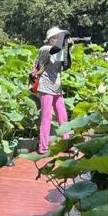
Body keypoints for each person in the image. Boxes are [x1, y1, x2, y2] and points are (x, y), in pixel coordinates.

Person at [31, 26, 72, 154]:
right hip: (46, 86)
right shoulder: (44, 49)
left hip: (57, 87)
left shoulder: (59, 50)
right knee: (46, 117)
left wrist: (68, 48)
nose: (58, 39)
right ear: (49, 39)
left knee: (63, 116)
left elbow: (67, 66)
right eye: (55, 37)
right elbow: (56, 48)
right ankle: (43, 146)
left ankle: (67, 144)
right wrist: (64, 34)